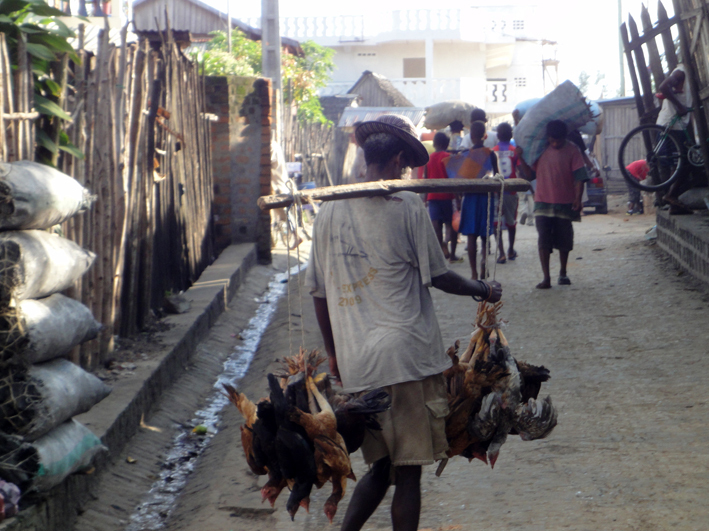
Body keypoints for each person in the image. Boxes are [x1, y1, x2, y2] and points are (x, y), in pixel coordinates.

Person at [304, 114, 502, 531]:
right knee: (407, 471)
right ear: (395, 160)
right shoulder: (409, 205)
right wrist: (482, 288)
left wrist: (336, 355)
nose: (407, 174)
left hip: (359, 363)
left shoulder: (327, 211)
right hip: (404, 360)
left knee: (381, 467)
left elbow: (319, 294)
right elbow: (441, 276)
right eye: (405, 166)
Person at [515, 120, 589, 289]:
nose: (555, 143)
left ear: (565, 137)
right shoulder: (539, 150)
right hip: (542, 203)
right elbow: (529, 174)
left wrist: (577, 199)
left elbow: (580, 177)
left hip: (565, 203)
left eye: (559, 140)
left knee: (565, 240)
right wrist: (520, 156)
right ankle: (546, 277)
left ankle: (563, 273)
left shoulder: (573, 150)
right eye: (552, 140)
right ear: (547, 137)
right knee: (543, 240)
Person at [456, 121, 499, 280]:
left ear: (471, 137)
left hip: (470, 197)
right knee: (485, 235)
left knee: (471, 236)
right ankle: (484, 262)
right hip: (486, 197)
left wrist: (459, 199)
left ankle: (473, 272)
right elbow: (497, 176)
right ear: (485, 136)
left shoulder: (465, 155)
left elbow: (460, 180)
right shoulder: (491, 154)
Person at [656, 63, 694, 214]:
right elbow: (663, 86)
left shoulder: (687, 76)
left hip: (675, 125)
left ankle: (674, 204)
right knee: (681, 163)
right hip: (670, 125)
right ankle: (671, 195)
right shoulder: (681, 72)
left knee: (679, 164)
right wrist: (679, 106)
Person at [423, 132, 462, 262]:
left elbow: (426, 179)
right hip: (448, 196)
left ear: (434, 144)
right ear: (446, 144)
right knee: (451, 225)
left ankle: (440, 256)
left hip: (432, 197)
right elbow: (454, 179)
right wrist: (458, 198)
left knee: (437, 227)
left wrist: (425, 199)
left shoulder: (428, 159)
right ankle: (452, 255)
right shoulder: (449, 157)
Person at [492, 122, 518, 263]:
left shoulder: (493, 150)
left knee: (497, 223)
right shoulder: (514, 150)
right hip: (511, 190)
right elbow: (518, 168)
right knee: (511, 222)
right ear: (511, 135)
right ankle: (511, 250)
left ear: (497, 135)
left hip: (497, 190)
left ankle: (500, 252)